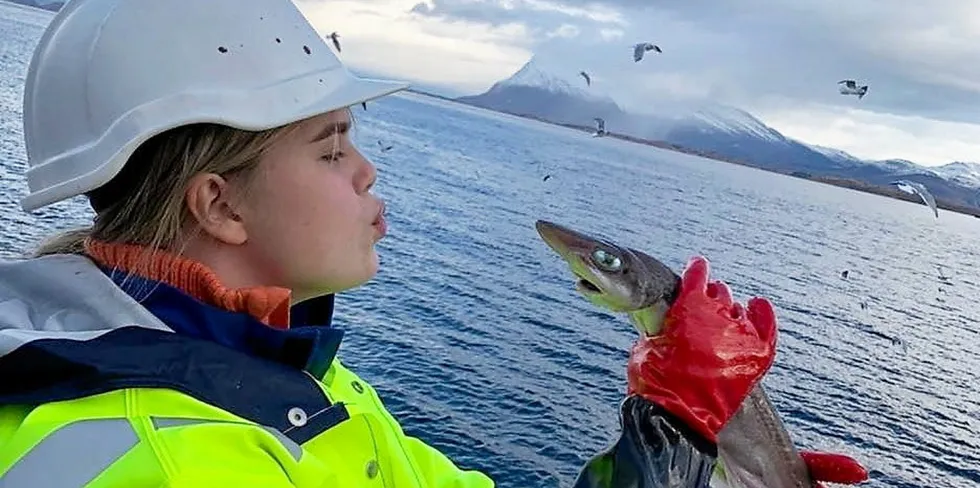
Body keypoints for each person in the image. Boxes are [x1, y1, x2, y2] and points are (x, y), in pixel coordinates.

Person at [0, 0, 868, 486]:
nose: (369, 172)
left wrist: (706, 464)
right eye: (333, 147)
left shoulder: (281, 374)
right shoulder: (170, 462)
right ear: (220, 206)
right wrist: (674, 427)